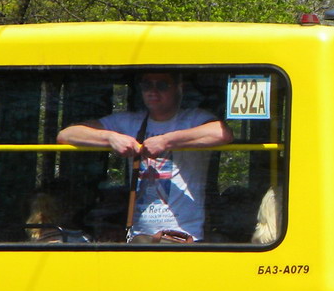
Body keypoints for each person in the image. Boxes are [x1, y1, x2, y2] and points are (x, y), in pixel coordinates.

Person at [57, 71, 232, 241]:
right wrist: (111, 137)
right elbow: (67, 135)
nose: (153, 91)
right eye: (147, 85)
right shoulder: (127, 122)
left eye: (162, 85)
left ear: (179, 88)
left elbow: (222, 134)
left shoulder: (193, 119)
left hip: (185, 235)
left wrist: (166, 141)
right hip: (139, 236)